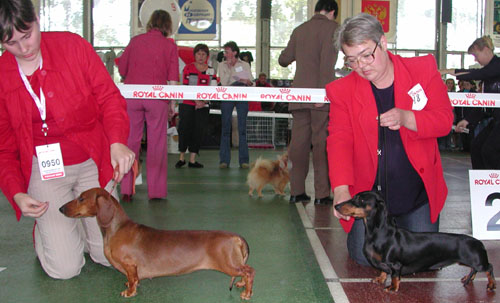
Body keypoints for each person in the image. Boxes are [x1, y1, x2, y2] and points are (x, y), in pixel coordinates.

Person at [0, 0, 135, 279]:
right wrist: (17, 192)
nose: (24, 48)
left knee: (108, 255)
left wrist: (117, 141)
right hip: (45, 168)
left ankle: (77, 233)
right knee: (64, 269)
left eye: (27, 35)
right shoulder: (2, 76)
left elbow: (109, 98)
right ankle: (50, 234)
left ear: (37, 19)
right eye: (11, 43)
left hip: (92, 159)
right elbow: (4, 146)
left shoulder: (73, 47)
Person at [326, 13, 453, 266]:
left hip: (416, 195)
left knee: (423, 261)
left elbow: (444, 120)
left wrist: (408, 118)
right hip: (371, 200)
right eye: (352, 60)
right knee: (365, 258)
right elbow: (339, 140)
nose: (361, 66)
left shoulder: (423, 70)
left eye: (366, 55)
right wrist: (341, 189)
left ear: (382, 43)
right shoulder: (342, 90)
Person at [278, 0, 339, 205]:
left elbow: (284, 60)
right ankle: (322, 194)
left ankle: (296, 191)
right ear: (332, 12)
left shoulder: (299, 29)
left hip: (299, 95)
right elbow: (327, 63)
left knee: (298, 144)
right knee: (321, 144)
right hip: (319, 96)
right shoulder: (332, 28)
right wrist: (322, 94)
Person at [118, 10, 179, 200]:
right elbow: (173, 80)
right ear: (168, 26)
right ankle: (157, 192)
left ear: (150, 22)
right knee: (157, 144)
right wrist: (172, 105)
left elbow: (122, 69)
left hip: (132, 96)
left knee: (130, 143)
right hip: (157, 98)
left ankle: (126, 190)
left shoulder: (135, 41)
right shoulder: (169, 46)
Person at [441, 36, 500, 169]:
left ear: (485, 50)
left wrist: (450, 71)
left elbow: (477, 74)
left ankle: (495, 184)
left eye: (475, 55)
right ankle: (483, 186)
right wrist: (467, 120)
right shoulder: (488, 77)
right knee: (476, 147)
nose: (475, 59)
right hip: (495, 120)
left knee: (489, 150)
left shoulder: (496, 66)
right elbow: (486, 104)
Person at [175, 44, 214, 169]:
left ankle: (192, 160)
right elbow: (184, 86)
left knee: (198, 131)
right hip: (187, 103)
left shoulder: (211, 70)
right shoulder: (188, 68)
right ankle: (181, 158)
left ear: (207, 56)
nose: (201, 57)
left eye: (203, 54)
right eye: (198, 54)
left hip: (203, 105)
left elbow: (213, 88)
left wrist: (204, 102)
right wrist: (196, 100)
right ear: (194, 55)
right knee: (184, 129)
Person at [218, 41, 253, 169]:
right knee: (225, 127)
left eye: (227, 51)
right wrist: (231, 68)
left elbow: (251, 82)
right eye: (225, 52)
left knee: (242, 128)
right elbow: (223, 82)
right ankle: (224, 161)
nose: (225, 54)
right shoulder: (221, 65)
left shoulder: (244, 65)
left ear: (234, 52)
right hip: (227, 94)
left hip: (242, 93)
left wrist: (246, 81)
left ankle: (244, 160)